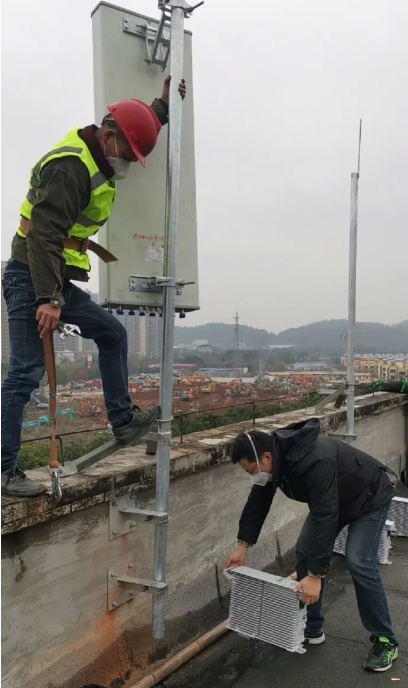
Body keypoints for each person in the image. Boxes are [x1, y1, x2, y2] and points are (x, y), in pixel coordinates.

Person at [1, 77, 186, 498]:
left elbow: (138, 126)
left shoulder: (98, 152)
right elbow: (44, 235)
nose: (128, 162)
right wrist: (48, 298)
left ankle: (122, 421)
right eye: (128, 152)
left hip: (54, 277)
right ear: (106, 136)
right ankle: (4, 470)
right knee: (26, 373)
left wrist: (162, 106)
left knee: (112, 334)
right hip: (31, 276)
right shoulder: (71, 167)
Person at [226, 418, 398, 673]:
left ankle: (385, 640)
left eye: (252, 471)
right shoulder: (275, 463)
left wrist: (316, 574)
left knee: (359, 561)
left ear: (266, 456)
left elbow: (326, 516)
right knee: (306, 551)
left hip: (370, 496)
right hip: (335, 500)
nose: (253, 477)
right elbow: (257, 504)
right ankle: (312, 627)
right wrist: (242, 548)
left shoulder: (315, 460)